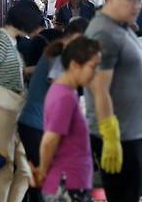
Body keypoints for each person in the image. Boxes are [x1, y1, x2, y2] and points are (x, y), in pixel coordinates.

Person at [85, 0, 142, 202]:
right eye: (131, 0)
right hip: (120, 136)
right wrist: (110, 134)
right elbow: (98, 87)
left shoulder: (118, 26)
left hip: (132, 133)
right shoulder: (104, 32)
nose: (137, 6)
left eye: (140, 1)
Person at [0, 0, 43, 202]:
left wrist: (39, 69)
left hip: (15, 110)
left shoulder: (12, 41)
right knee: (4, 169)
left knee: (24, 169)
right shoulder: (1, 40)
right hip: (1, 109)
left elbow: (14, 73)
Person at [37, 37, 102, 202]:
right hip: (68, 183)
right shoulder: (64, 96)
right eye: (93, 67)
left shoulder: (66, 92)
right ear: (74, 65)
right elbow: (49, 140)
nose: (96, 72)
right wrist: (43, 172)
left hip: (71, 179)